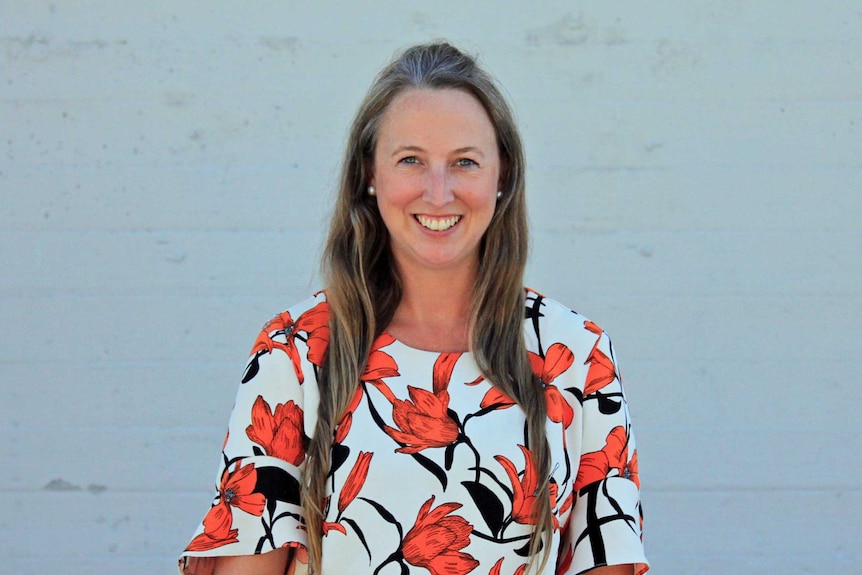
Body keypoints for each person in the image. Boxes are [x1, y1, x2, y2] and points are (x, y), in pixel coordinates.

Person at [179, 41, 648, 575]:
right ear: (369, 175)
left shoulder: (576, 355)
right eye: (411, 161)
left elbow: (606, 559)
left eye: (465, 162)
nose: (439, 191)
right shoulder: (295, 351)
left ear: (503, 176)